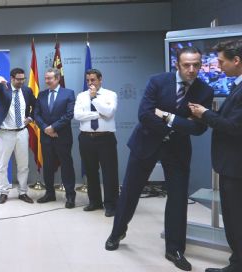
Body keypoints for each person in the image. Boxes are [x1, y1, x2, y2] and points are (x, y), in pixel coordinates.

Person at [105, 47, 213, 271]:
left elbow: (199, 128)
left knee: (178, 198)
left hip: (178, 150)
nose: (192, 70)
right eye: (187, 65)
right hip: (146, 143)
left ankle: (174, 248)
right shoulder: (157, 81)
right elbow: (144, 114)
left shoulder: (205, 91)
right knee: (130, 191)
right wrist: (174, 127)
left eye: (196, 65)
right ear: (177, 64)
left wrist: (167, 118)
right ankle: (117, 233)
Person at [189, 40, 242, 272]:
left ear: (236, 61)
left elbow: (233, 127)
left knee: (234, 219)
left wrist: (205, 113)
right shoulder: (237, 86)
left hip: (235, 167)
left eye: (221, 61)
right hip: (232, 165)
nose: (218, 66)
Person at [73, 69, 119, 217]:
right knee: (90, 171)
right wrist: (97, 114)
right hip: (86, 138)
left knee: (109, 172)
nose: (90, 83)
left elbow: (109, 112)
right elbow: (77, 115)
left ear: (100, 79)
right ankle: (95, 202)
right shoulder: (81, 96)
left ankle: (111, 204)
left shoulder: (110, 94)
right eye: (88, 80)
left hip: (105, 138)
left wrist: (94, 99)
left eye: (93, 80)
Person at [0, 68, 36, 204]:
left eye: (23, 79)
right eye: (18, 79)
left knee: (23, 165)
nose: (21, 81)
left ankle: (23, 192)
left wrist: (31, 118)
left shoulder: (27, 91)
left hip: (22, 132)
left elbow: (35, 104)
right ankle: (3, 192)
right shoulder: (3, 88)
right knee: (2, 165)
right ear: (12, 78)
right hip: (5, 133)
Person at [33, 68, 77, 208]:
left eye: (50, 78)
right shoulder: (41, 94)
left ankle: (70, 196)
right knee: (48, 166)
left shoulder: (68, 93)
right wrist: (46, 128)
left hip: (62, 136)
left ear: (57, 79)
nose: (47, 81)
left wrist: (53, 128)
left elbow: (69, 114)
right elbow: (37, 114)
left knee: (66, 166)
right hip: (46, 137)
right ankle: (50, 194)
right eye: (46, 78)